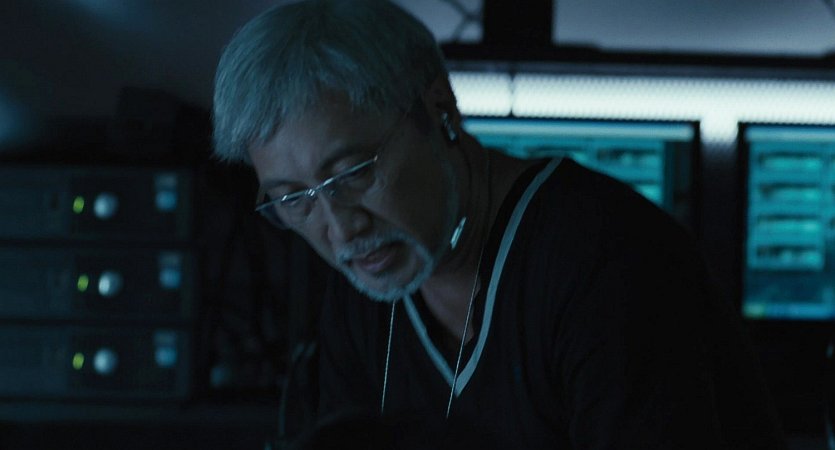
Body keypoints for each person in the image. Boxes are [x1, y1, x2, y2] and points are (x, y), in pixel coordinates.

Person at [212, 0, 788, 448]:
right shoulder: (365, 294)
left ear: (439, 110)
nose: (339, 229)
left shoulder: (609, 262)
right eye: (294, 199)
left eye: (354, 173)